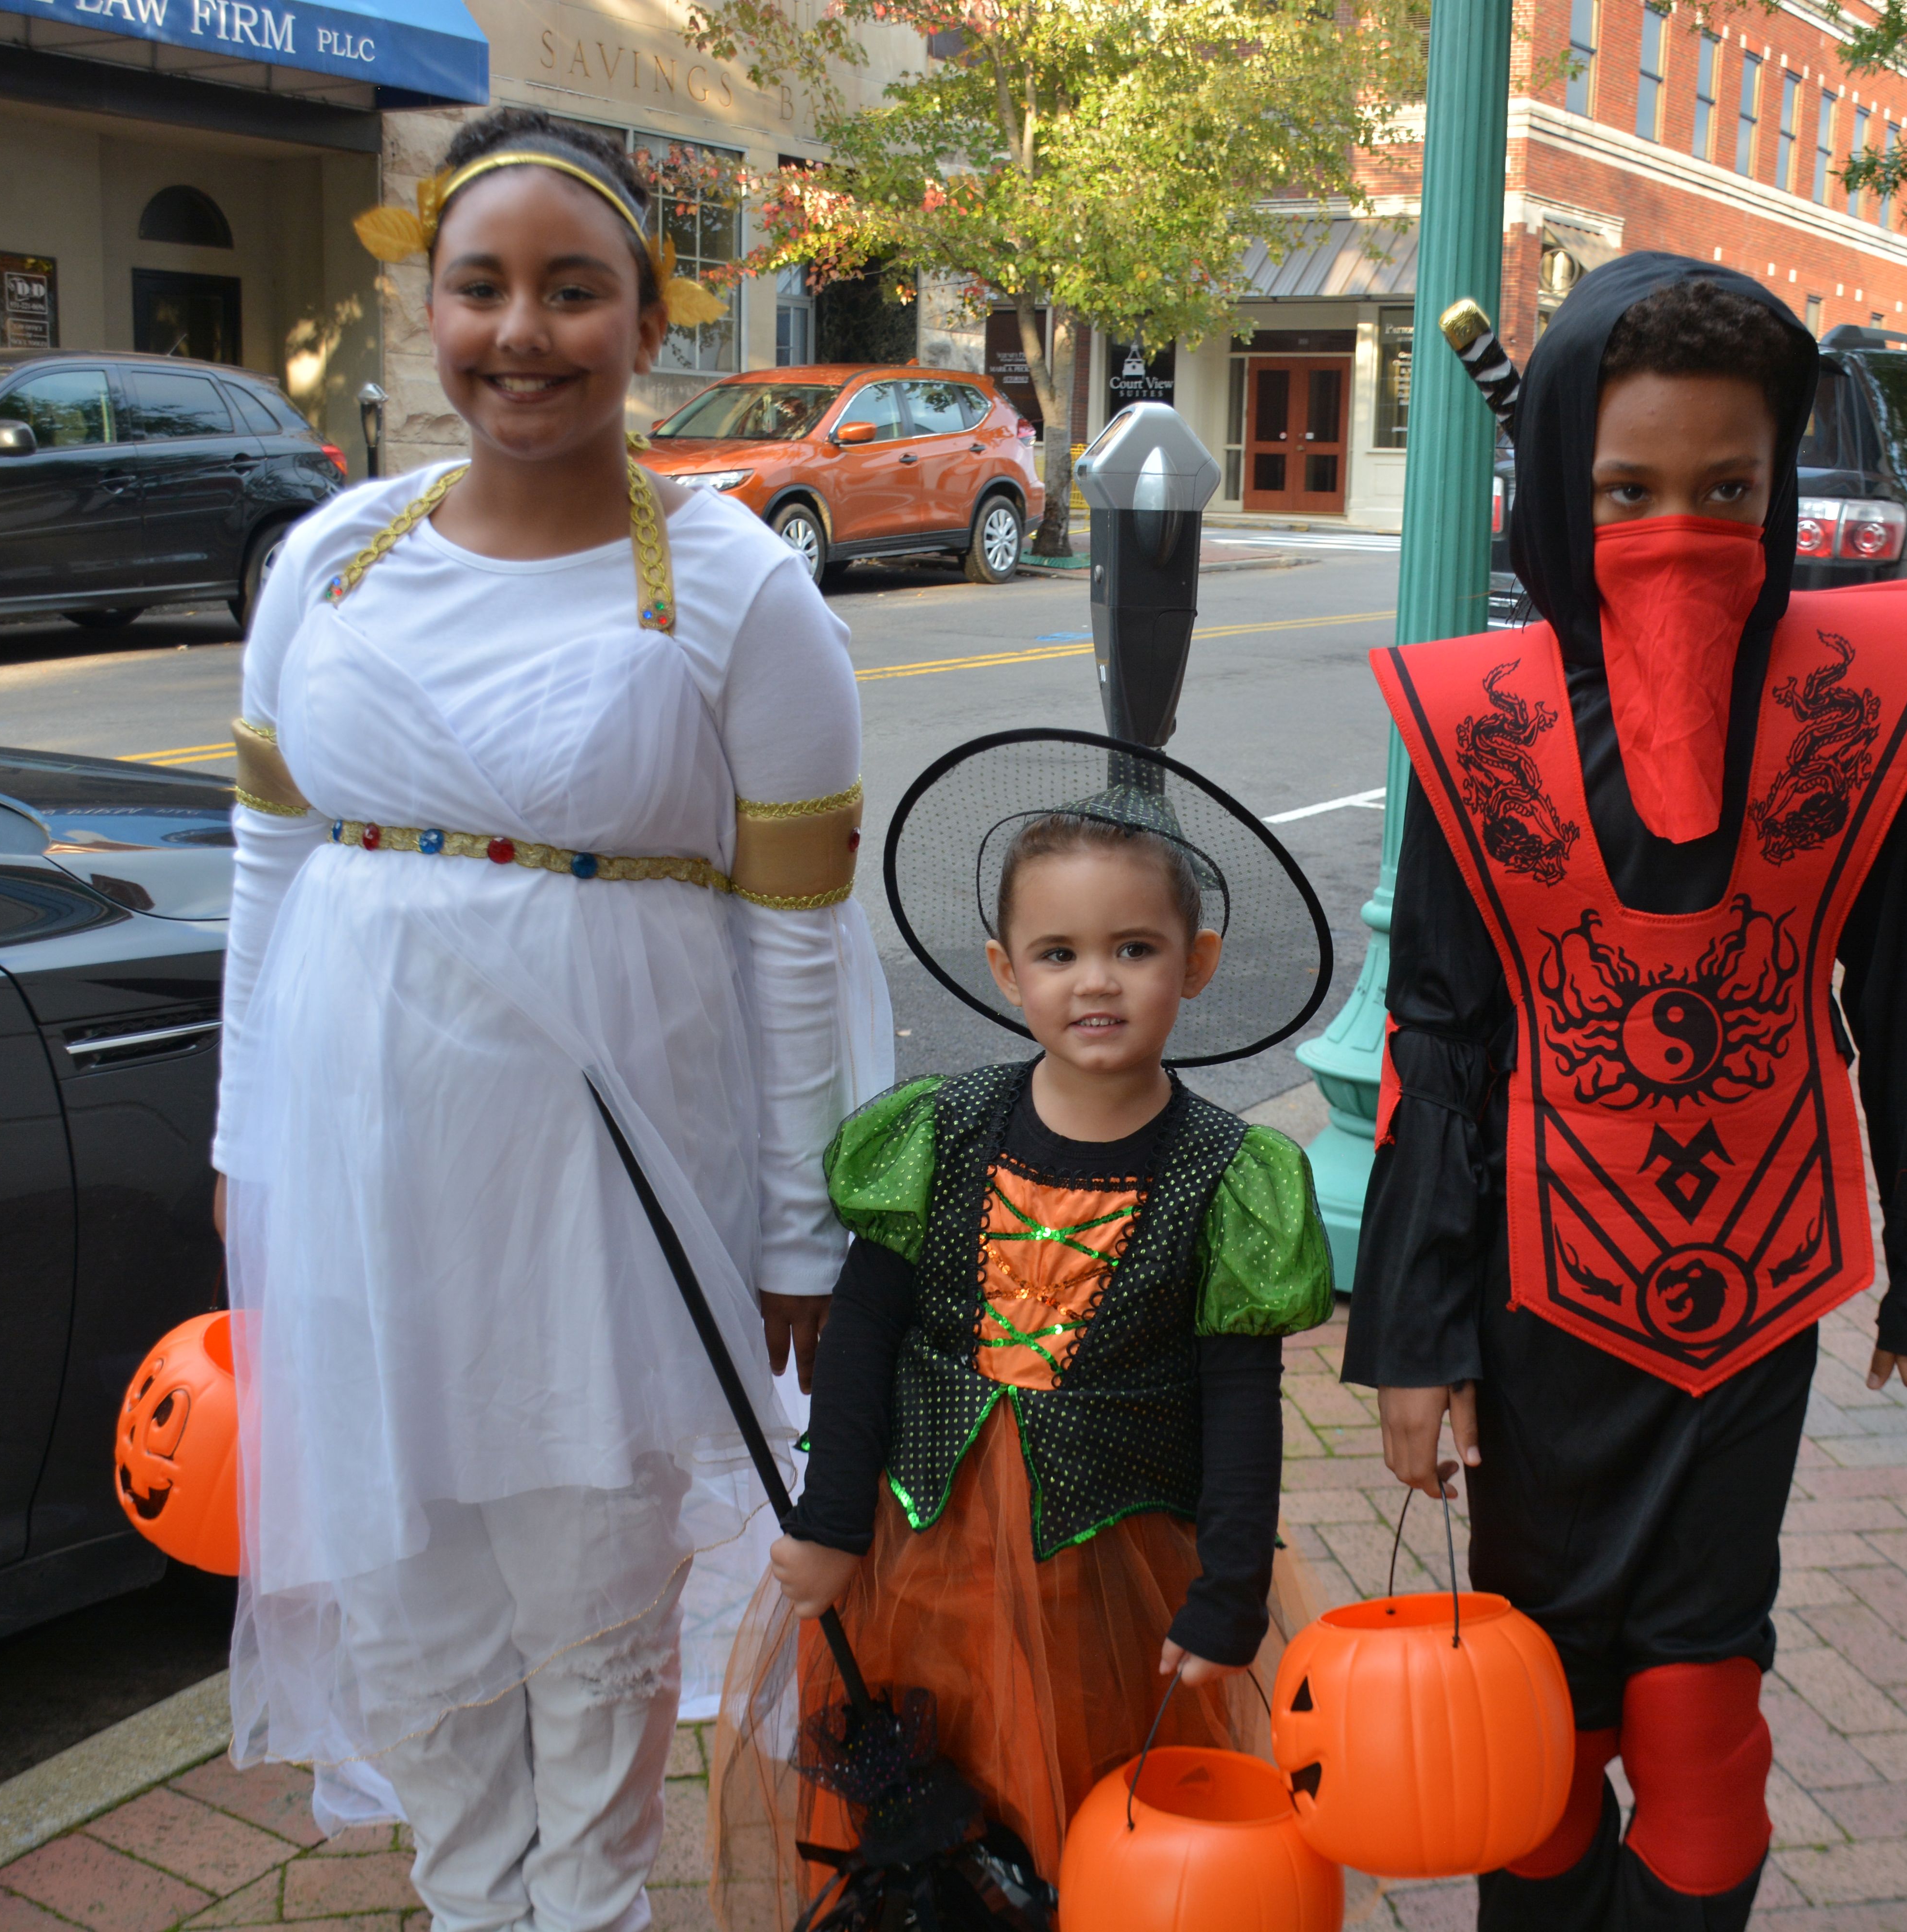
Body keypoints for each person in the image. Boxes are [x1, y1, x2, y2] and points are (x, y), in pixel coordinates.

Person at [213, 108, 891, 1932]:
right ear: (426, 306)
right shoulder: (328, 560)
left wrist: (797, 1222)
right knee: (410, 1598)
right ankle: (468, 1901)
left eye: (572, 290)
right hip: (363, 1169)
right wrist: (241, 1137)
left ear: (647, 317)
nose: (521, 332)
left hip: (606, 1193)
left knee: (587, 1611)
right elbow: (268, 866)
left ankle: (585, 1908)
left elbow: (796, 940)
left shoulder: (738, 588)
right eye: (481, 287)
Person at [1351, 256, 1907, 1932]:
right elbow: (1436, 1045)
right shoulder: (1479, 726)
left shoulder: (1854, 713)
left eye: (1729, 489)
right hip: (1535, 1300)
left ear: (1782, 490)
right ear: (1563, 489)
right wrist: (1416, 1333)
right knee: (1539, 1711)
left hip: (1753, 1290)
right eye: (1626, 491)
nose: (1678, 531)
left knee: (1704, 1711)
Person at [710, 749, 1337, 1924]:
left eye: (1134, 949)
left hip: (1112, 1564)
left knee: (1086, 1779)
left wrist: (1230, 1590)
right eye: (1058, 953)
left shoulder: (1230, 1178)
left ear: (1196, 962)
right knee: (936, 1769)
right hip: (921, 1546)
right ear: (1006, 969)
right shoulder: (938, 1132)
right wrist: (831, 1518)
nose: (1095, 981)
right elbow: (864, 1342)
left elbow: (1240, 1405)